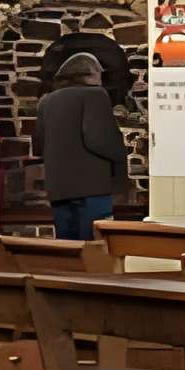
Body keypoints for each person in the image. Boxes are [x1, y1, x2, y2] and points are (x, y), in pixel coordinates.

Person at [37, 52, 124, 240]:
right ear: (88, 74)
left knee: (69, 251)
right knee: (95, 251)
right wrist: (120, 154)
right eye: (100, 72)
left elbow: (40, 143)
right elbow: (100, 139)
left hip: (59, 189)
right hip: (92, 188)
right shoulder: (95, 95)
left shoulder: (46, 101)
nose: (102, 78)